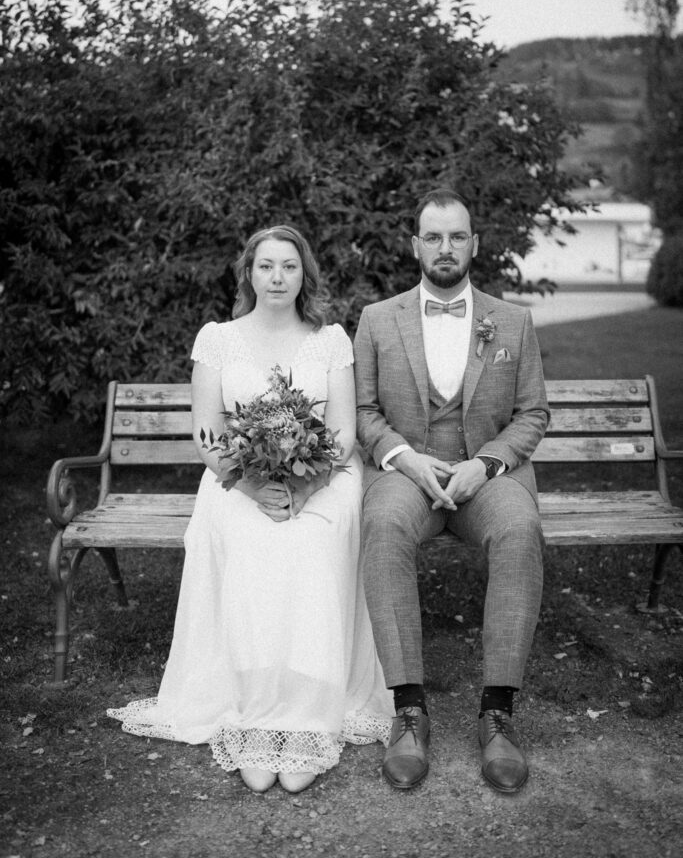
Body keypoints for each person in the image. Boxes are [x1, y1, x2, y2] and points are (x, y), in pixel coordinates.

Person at [108, 225, 393, 794]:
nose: (278, 277)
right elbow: (208, 433)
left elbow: (342, 432)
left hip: (324, 480)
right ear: (249, 274)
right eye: (267, 266)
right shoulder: (218, 339)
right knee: (248, 541)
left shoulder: (330, 340)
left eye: (289, 266)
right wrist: (252, 486)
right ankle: (255, 712)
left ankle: (308, 712)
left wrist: (306, 488)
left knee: (312, 542)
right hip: (236, 482)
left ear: (304, 275)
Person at [353, 187, 549, 793]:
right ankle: (409, 712)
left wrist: (485, 465)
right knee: (383, 526)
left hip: (486, 477)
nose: (445, 247)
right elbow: (362, 411)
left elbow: (532, 413)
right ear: (415, 245)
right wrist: (406, 460)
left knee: (519, 529)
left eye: (457, 236)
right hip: (406, 475)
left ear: (475, 244)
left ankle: (498, 714)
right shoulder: (377, 319)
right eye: (433, 237)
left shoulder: (512, 320)